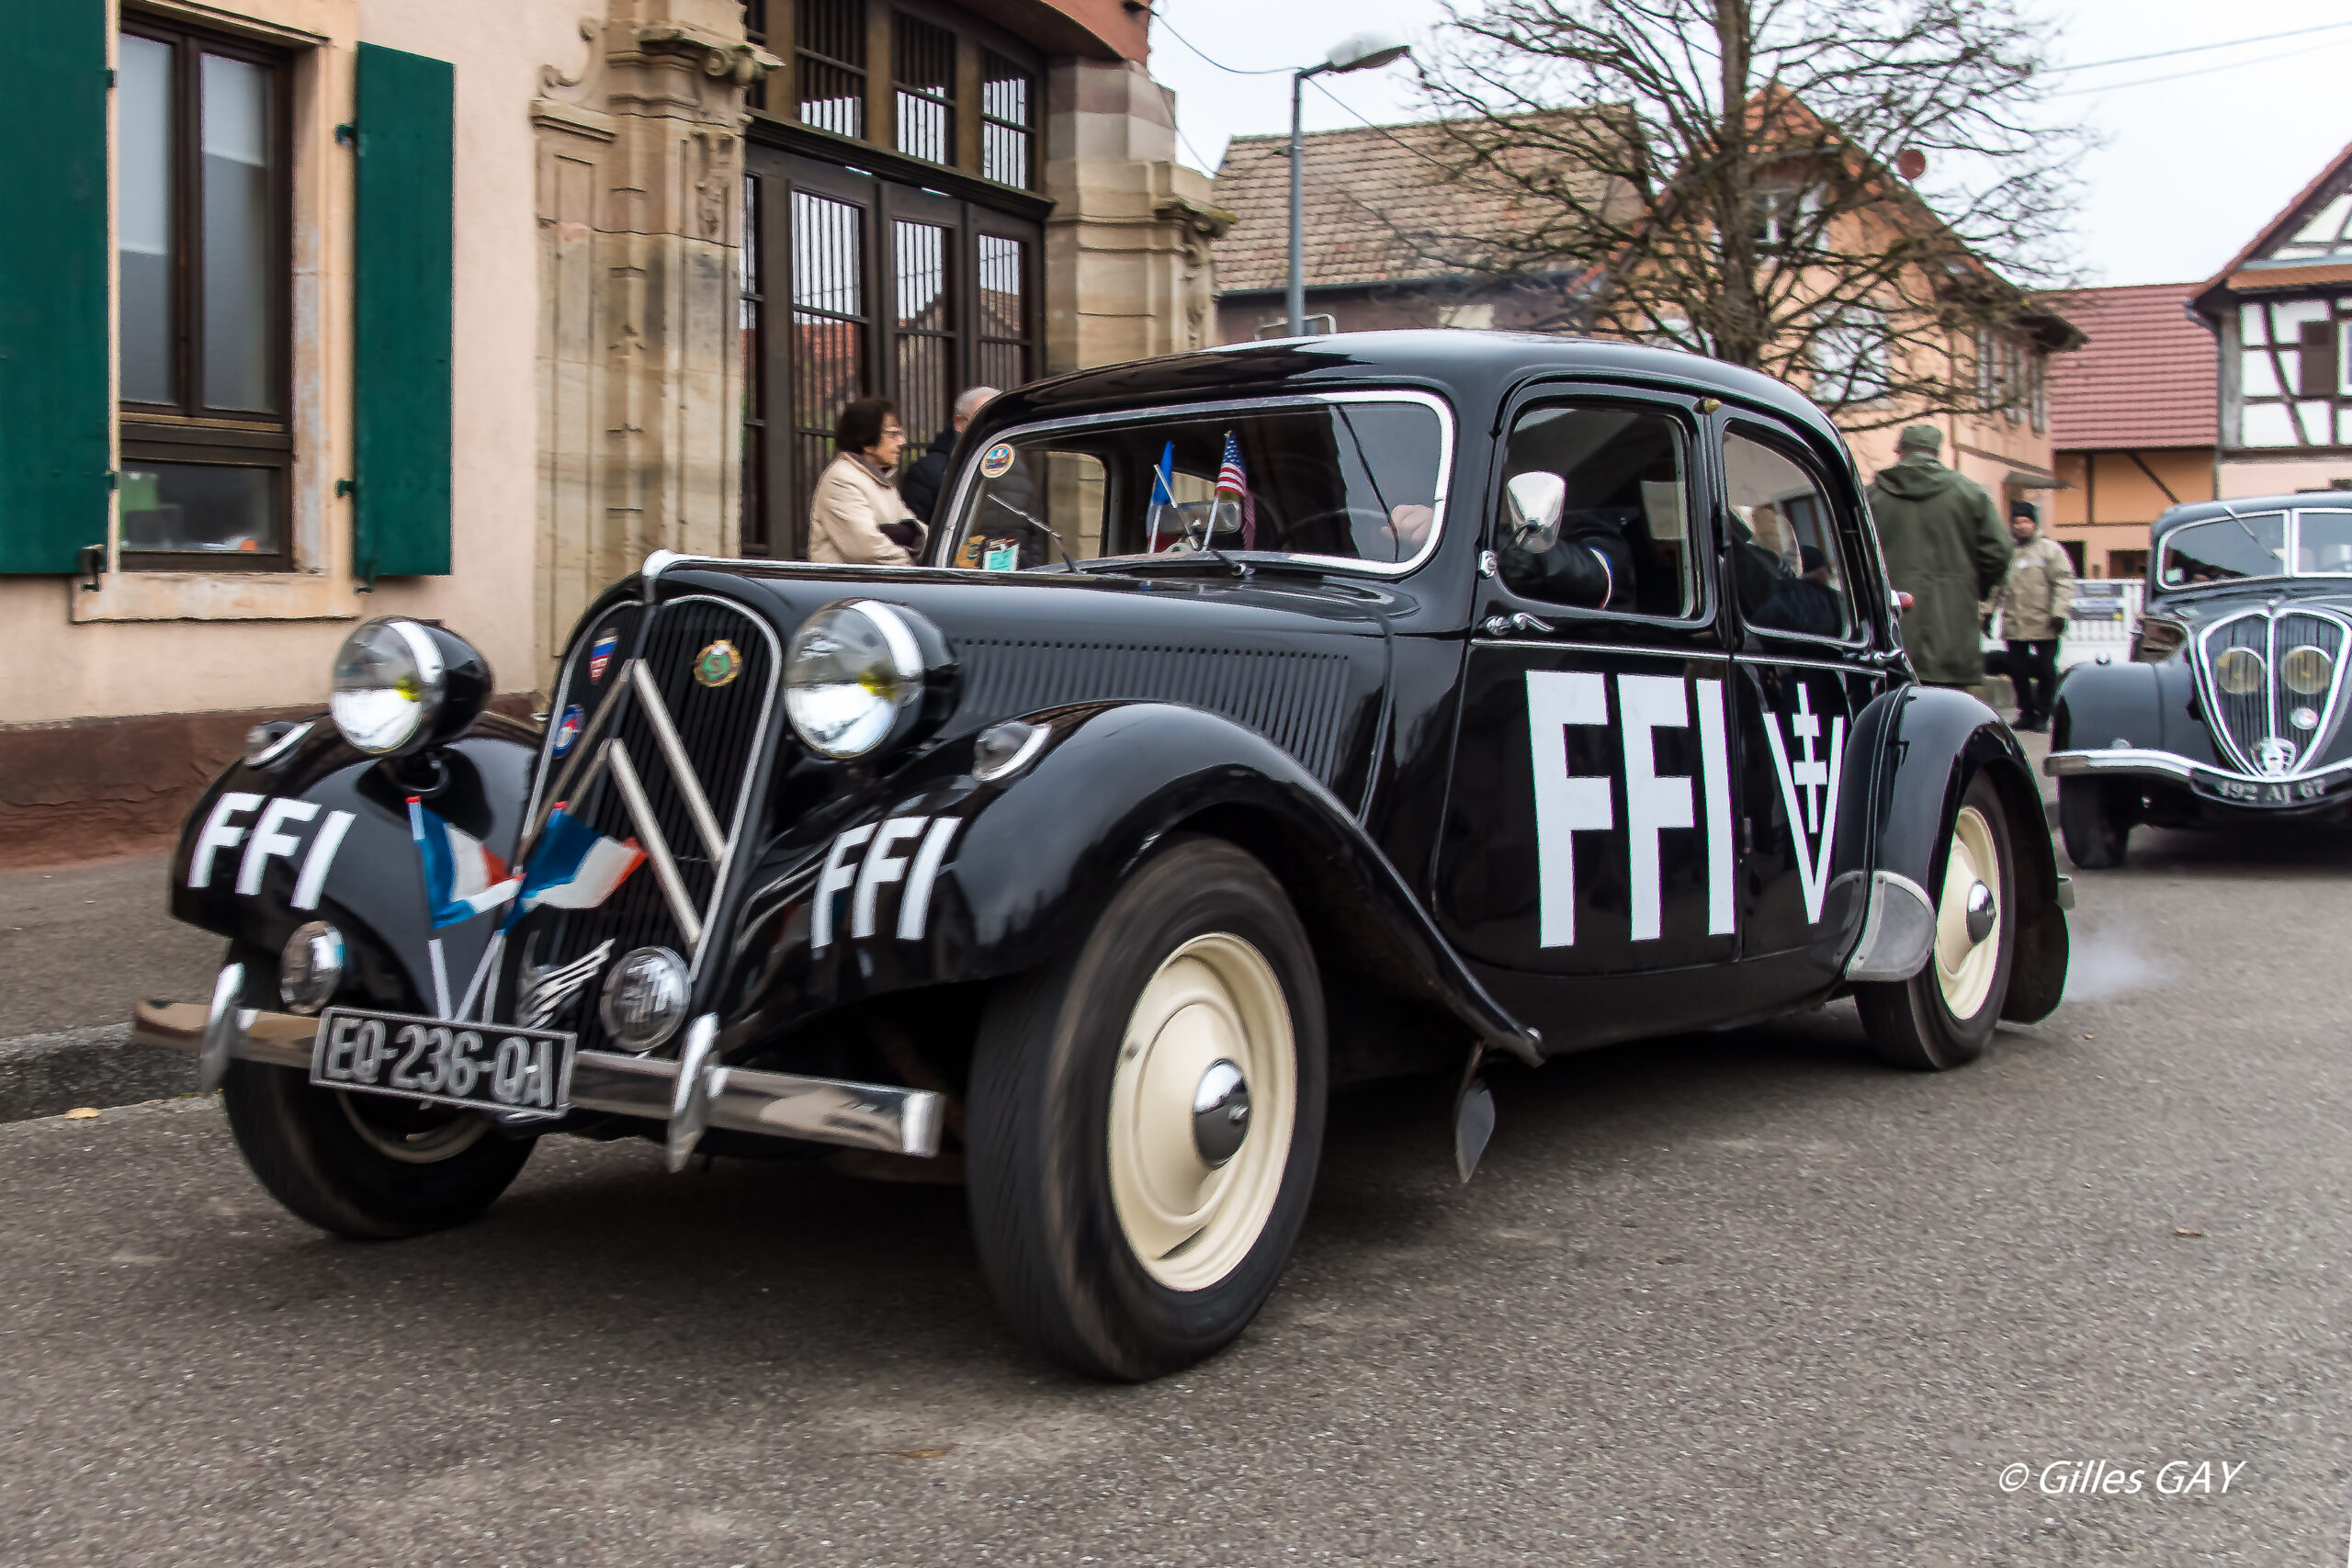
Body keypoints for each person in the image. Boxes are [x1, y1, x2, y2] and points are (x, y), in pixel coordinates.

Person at [1868, 423, 2012, 688]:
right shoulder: (1970, 494)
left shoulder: (1872, 496)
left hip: (1891, 632)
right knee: (1949, 707)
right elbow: (1999, 550)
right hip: (1952, 631)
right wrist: (1973, 587)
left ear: (1900, 450)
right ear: (1937, 451)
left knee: (1893, 706)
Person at [1988, 500, 2074, 731]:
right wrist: (1987, 613)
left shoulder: (2050, 550)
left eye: (2026, 521)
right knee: (2018, 672)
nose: (2021, 526)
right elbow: (1996, 587)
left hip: (2045, 623)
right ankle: (2025, 712)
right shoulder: (2008, 554)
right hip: (2015, 623)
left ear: (2034, 524)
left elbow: (2064, 582)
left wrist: (2059, 613)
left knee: (2046, 671)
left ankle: (2043, 714)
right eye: (2017, 521)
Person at [808, 398, 925, 566]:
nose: (902, 441)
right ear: (867, 442)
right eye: (893, 434)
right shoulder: (842, 479)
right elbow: (866, 549)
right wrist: (917, 562)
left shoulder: (879, 481)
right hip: (851, 582)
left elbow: (920, 532)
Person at [901, 385, 1000, 525]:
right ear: (959, 423)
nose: (993, 428)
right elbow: (917, 530)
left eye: (998, 421)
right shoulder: (928, 472)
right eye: (984, 421)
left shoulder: (1018, 462)